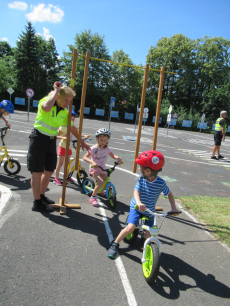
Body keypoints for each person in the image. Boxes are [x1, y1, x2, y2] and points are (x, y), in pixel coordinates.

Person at [27, 81, 91, 213]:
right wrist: (56, 91)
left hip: (51, 141)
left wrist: (82, 142)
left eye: (70, 100)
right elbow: (46, 108)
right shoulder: (46, 101)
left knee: (49, 171)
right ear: (58, 97)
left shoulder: (64, 111)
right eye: (66, 100)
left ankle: (42, 196)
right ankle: (37, 202)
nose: (68, 103)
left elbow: (72, 128)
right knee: (37, 172)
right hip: (38, 139)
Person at [107, 150, 179, 259]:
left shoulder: (161, 183)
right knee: (130, 228)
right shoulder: (142, 179)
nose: (139, 169)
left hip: (149, 210)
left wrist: (173, 208)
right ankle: (115, 243)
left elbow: (169, 194)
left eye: (140, 167)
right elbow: (136, 192)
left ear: (148, 170)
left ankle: (145, 240)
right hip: (136, 208)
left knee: (149, 233)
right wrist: (139, 202)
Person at [83, 128, 122, 207]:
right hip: (94, 169)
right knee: (100, 182)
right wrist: (92, 162)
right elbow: (85, 157)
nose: (103, 142)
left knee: (106, 181)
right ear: (97, 138)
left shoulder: (107, 148)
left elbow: (113, 155)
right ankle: (93, 197)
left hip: (103, 168)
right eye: (101, 140)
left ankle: (100, 191)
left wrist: (118, 158)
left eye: (105, 140)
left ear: (107, 140)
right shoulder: (93, 148)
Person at [54, 110, 89, 186]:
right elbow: (56, 136)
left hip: (69, 147)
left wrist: (84, 136)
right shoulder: (62, 126)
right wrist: (63, 137)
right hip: (63, 146)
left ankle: (67, 176)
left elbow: (76, 134)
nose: (72, 120)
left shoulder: (72, 126)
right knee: (60, 163)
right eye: (70, 119)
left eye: (73, 119)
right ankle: (56, 178)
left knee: (67, 163)